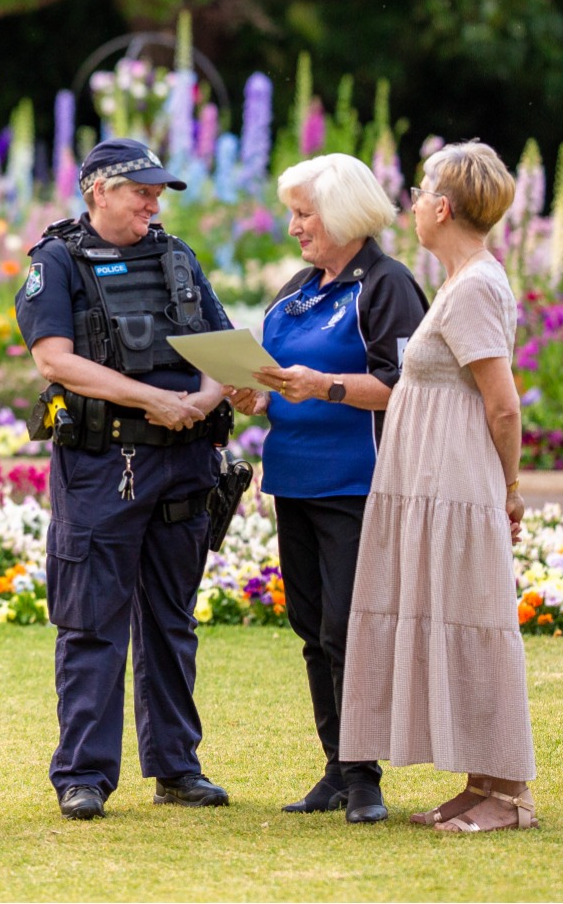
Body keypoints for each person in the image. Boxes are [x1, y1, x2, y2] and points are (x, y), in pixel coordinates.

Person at [13, 138, 236, 822]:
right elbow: (56, 361)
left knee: (171, 622)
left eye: (156, 192)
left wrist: (203, 400)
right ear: (96, 192)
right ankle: (82, 775)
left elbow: (221, 346)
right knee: (92, 626)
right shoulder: (56, 263)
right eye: (138, 189)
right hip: (101, 468)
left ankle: (176, 768)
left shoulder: (177, 257)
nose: (151, 201)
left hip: (183, 463)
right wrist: (149, 401)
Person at [339, 141, 538, 833]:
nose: (413, 205)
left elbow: (502, 403)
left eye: (421, 193)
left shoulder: (477, 285)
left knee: (474, 624)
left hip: (458, 483)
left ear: (444, 207)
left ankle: (508, 796)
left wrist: (507, 487)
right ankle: (478, 782)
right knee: (449, 615)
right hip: (430, 483)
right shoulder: (461, 283)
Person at [224, 154, 429, 824]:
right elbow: (279, 380)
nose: (293, 227)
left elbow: (406, 388)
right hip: (295, 481)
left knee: (349, 629)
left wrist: (326, 386)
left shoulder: (385, 285)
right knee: (311, 627)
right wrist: (252, 396)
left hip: (356, 483)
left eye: (304, 214)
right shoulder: (298, 287)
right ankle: (335, 767)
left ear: (341, 215)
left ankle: (363, 775)